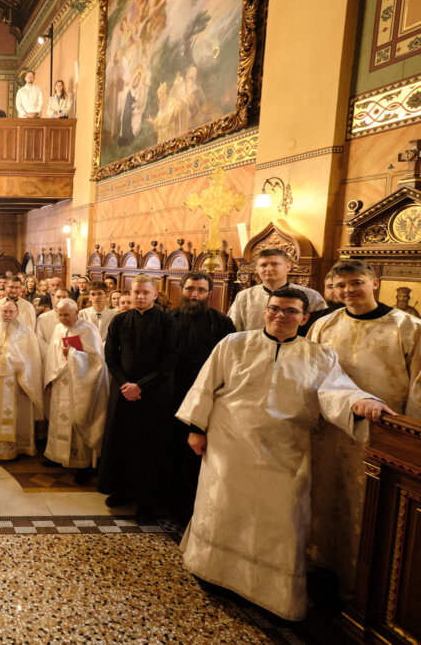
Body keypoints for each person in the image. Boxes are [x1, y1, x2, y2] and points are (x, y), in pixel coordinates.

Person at [177, 286, 392, 621]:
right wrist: (196, 427)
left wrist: (360, 402)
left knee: (280, 521)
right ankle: (214, 573)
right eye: (274, 308)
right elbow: (205, 385)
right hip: (229, 445)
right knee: (223, 508)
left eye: (290, 311)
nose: (280, 315)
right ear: (265, 310)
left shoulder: (319, 355)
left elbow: (337, 391)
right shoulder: (234, 344)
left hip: (285, 451)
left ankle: (267, 591)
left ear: (304, 318)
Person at [306, 260, 421, 598]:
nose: (348, 291)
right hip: (328, 436)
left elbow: (418, 386)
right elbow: (309, 377)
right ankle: (321, 572)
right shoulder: (324, 325)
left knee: (375, 514)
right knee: (324, 503)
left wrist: (408, 438)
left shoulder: (408, 327)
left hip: (383, 438)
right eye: (340, 286)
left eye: (355, 283)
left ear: (374, 282)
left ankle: (365, 589)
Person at [98, 275, 177, 514]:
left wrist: (140, 386)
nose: (140, 296)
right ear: (130, 294)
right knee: (120, 440)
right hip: (122, 392)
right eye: (136, 292)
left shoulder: (167, 322)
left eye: (145, 292)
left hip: (154, 395)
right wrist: (125, 384)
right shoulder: (119, 320)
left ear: (154, 294)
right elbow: (111, 356)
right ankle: (120, 490)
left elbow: (169, 361)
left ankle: (147, 498)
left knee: (149, 445)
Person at [168, 272, 235, 522]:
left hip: (206, 398)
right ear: (181, 289)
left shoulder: (222, 323)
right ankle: (169, 500)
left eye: (200, 290)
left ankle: (194, 504)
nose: (194, 295)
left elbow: (229, 364)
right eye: (190, 289)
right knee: (171, 447)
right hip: (172, 394)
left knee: (197, 454)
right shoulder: (168, 319)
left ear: (209, 293)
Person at [43, 298, 108, 484]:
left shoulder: (88, 329)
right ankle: (58, 456)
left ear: (77, 313)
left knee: (77, 419)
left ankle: (82, 465)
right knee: (59, 419)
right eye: (60, 315)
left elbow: (97, 361)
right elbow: (51, 355)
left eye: (67, 315)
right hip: (60, 380)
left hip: (80, 385)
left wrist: (71, 354)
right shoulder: (57, 329)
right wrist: (49, 379)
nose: (63, 318)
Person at [0, 300, 43, 460]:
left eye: (11, 312)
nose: (8, 315)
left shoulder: (26, 332)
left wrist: (27, 379)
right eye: (5, 312)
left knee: (17, 414)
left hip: (17, 380)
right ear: (0, 312)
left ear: (18, 313)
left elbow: (32, 358)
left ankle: (19, 448)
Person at [228, 248, 325, 331]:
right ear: (257, 268)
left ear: (288, 266)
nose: (268, 269)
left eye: (274, 264)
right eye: (263, 265)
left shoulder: (311, 296)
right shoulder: (244, 296)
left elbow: (320, 329)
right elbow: (232, 328)